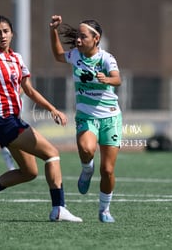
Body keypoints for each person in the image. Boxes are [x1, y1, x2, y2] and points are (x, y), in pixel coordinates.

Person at [0, 15, 82, 222]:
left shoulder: (17, 58)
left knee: (29, 172)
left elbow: (29, 90)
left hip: (14, 121)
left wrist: (52, 109)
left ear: (12, 33)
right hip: (3, 122)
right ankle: (59, 208)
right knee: (52, 154)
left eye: (5, 31)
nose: (2, 36)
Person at [49, 15, 122, 223]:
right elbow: (57, 55)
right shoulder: (75, 55)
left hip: (111, 117)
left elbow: (118, 79)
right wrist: (53, 30)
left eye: (83, 37)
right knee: (87, 149)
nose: (78, 40)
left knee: (108, 170)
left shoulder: (106, 58)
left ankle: (104, 210)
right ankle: (86, 169)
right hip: (87, 115)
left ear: (96, 38)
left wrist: (107, 79)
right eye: (77, 37)